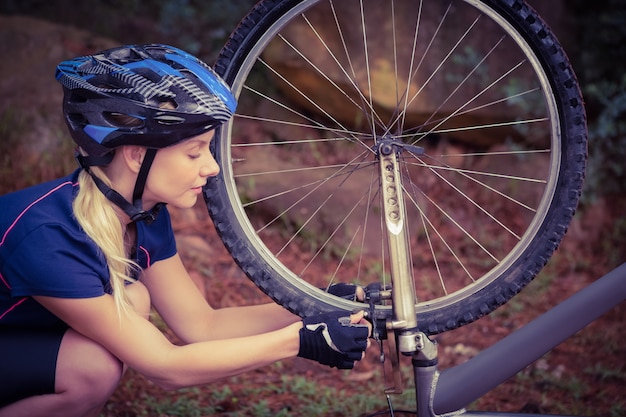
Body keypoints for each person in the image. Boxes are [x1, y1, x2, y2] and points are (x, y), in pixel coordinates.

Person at [0, 44, 370, 417]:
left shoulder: (142, 213)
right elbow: (165, 367)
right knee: (92, 369)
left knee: (134, 300)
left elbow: (203, 325)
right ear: (138, 155)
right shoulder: (50, 236)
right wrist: (301, 342)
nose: (212, 168)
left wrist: (315, 305)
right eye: (195, 153)